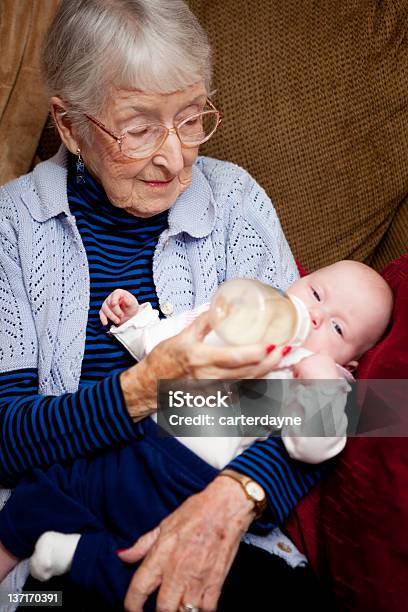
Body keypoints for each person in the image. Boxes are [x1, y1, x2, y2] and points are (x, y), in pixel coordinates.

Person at [0, 1, 331, 610]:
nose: (176, 158)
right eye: (139, 127)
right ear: (70, 126)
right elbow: (5, 436)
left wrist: (237, 495)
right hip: (57, 551)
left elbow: (330, 404)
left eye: (190, 118)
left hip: (230, 531)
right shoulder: (13, 228)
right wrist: (146, 386)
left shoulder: (236, 201)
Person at [0, 261, 393, 609]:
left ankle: (82, 555)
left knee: (158, 567)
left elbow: (315, 448)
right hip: (130, 442)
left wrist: (320, 386)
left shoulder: (323, 379)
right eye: (316, 294)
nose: (315, 316)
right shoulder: (249, 316)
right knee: (49, 488)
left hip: (187, 486)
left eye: (338, 328)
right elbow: (166, 349)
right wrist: (137, 322)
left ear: (350, 362)